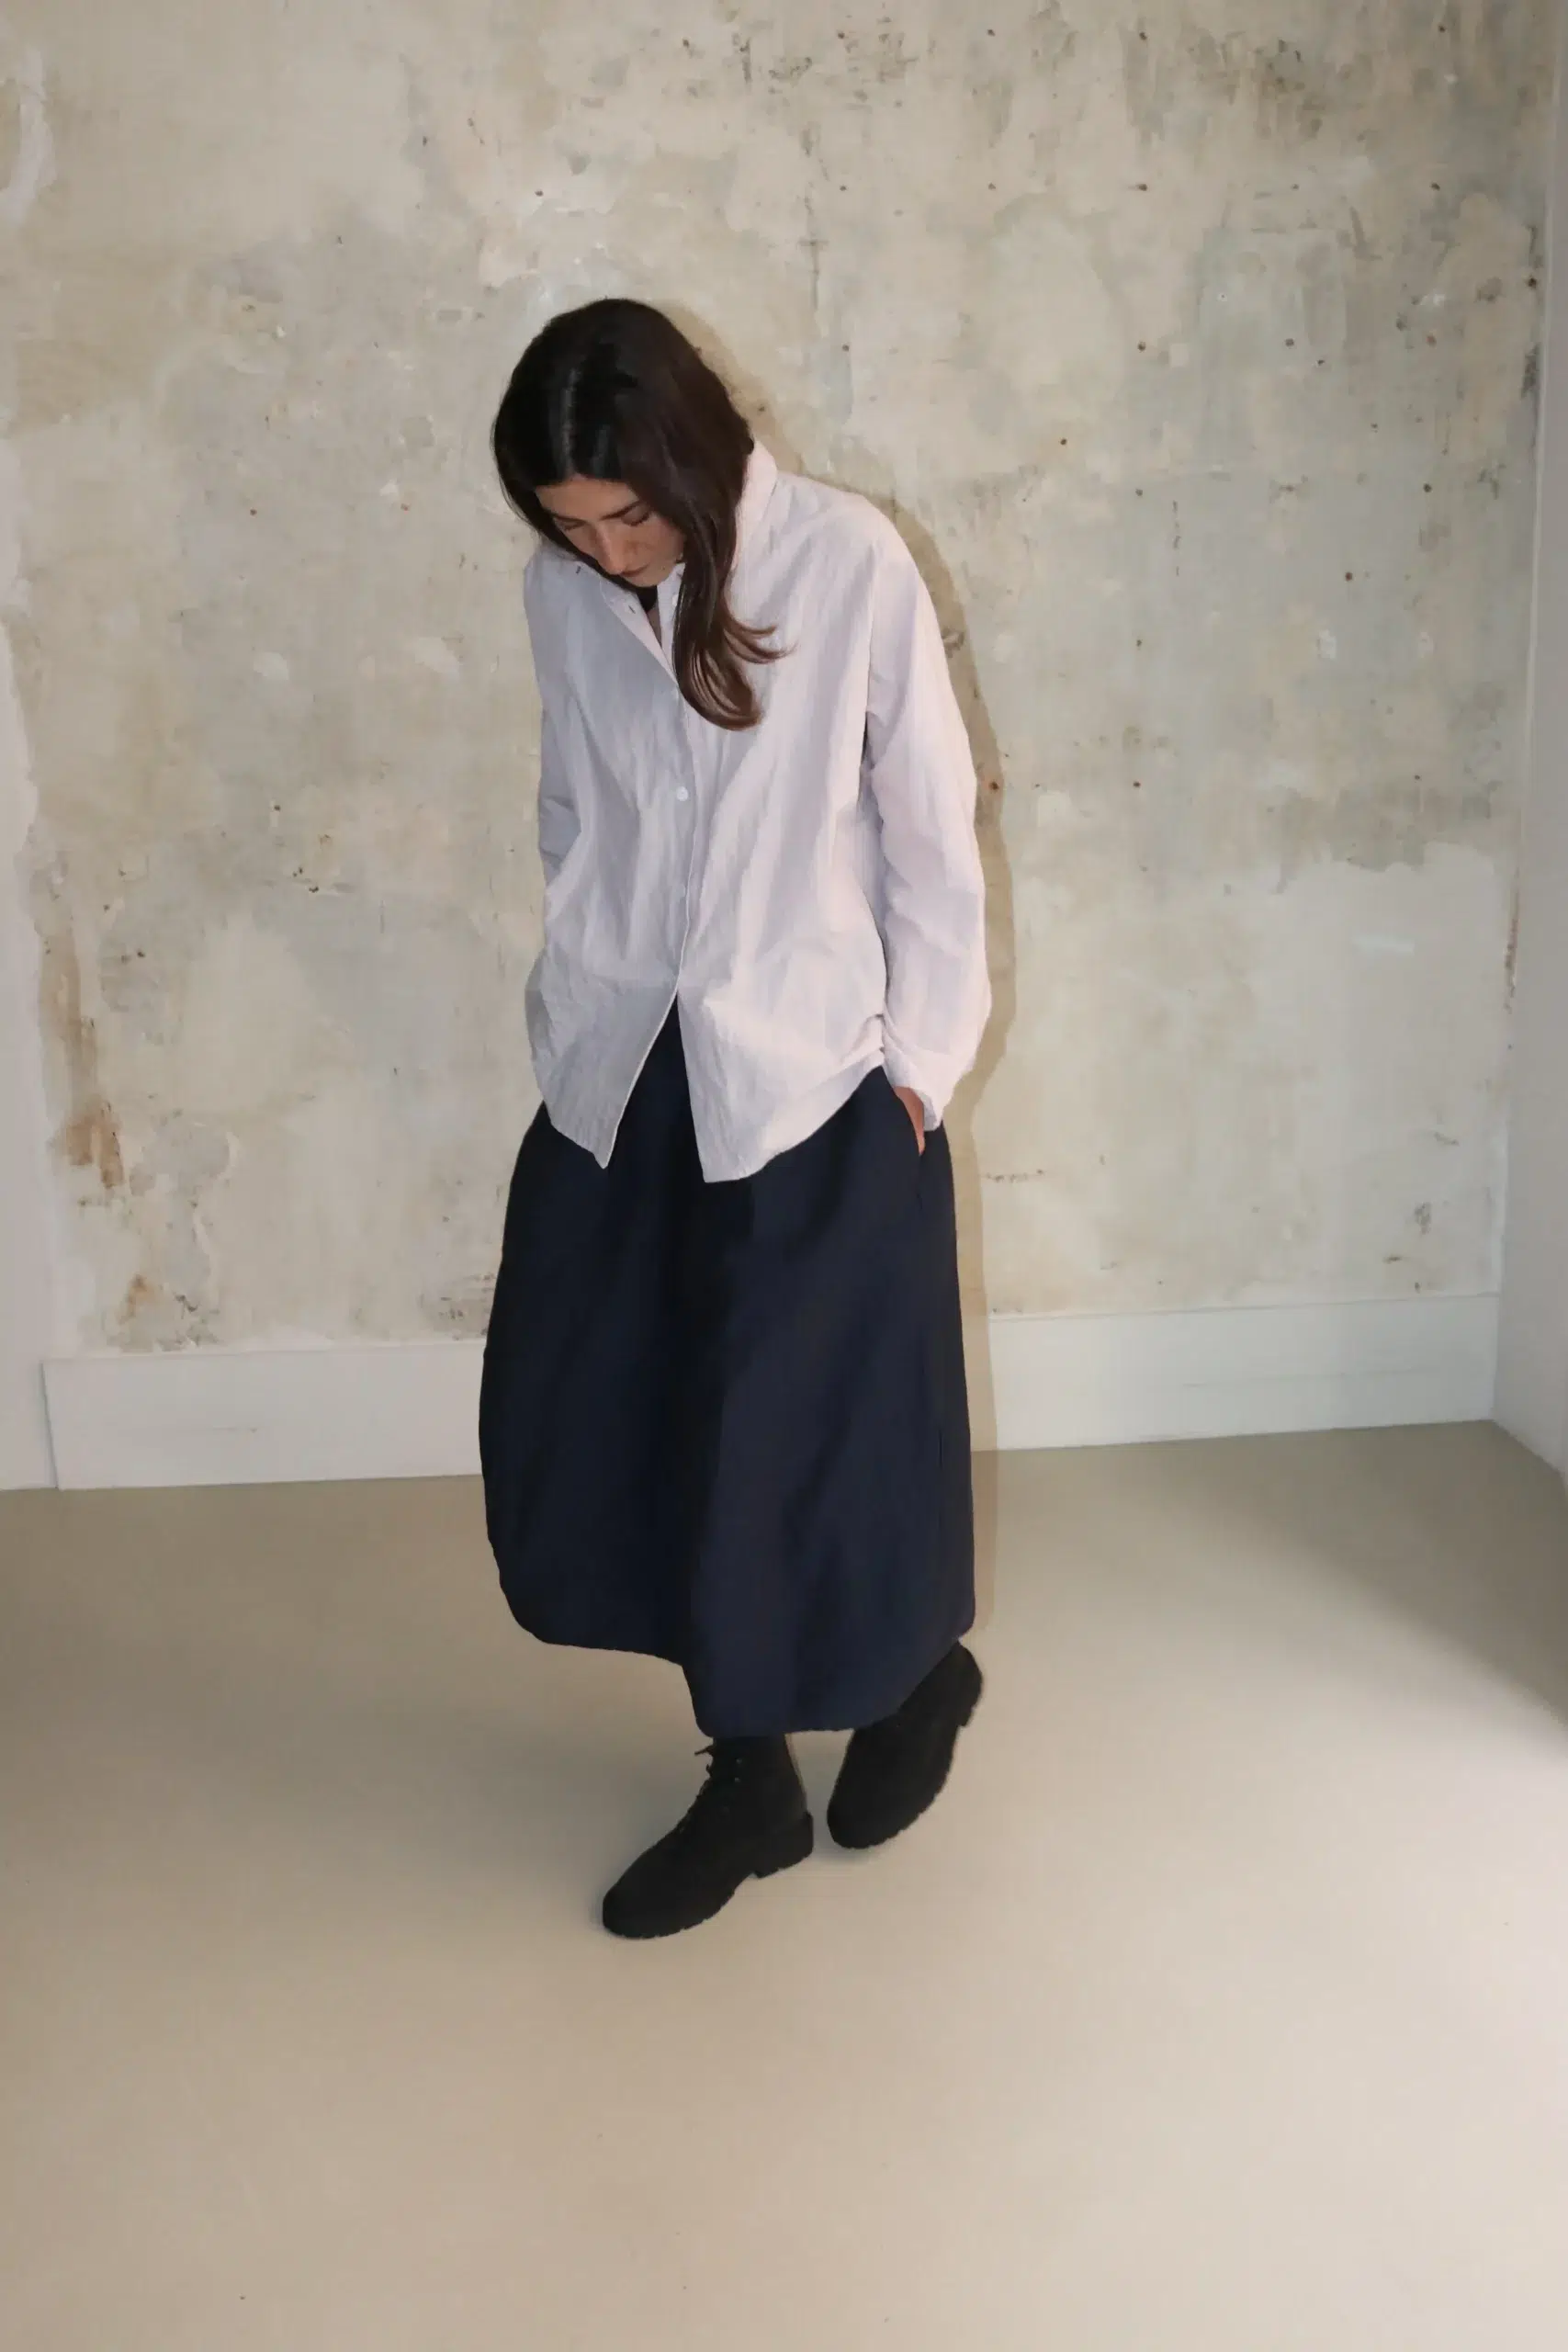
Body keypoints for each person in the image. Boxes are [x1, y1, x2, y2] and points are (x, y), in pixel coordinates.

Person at [479, 299, 990, 1939]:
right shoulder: (565, 592)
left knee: (815, 1430)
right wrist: (576, 986)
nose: (608, 553)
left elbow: (929, 828)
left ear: (691, 452)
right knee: (638, 1420)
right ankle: (750, 1774)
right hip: (627, 1066)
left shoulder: (844, 563)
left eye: (629, 514)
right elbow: (573, 802)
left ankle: (911, 1677)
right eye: (571, 527)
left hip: (810, 1071)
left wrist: (919, 1060)